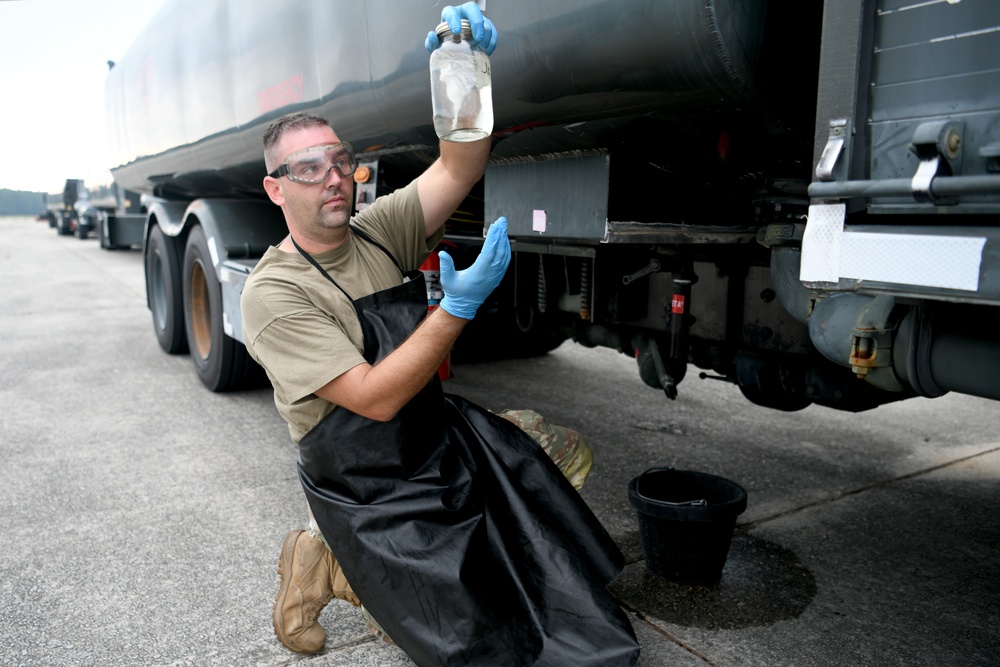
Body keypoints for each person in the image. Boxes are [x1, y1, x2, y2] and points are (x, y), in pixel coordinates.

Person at [241, 4, 640, 665]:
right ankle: (332, 559)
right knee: (475, 643)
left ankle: (343, 557)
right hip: (366, 486)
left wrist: (463, 71)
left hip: (429, 437)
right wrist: (455, 310)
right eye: (309, 167)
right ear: (275, 189)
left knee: (542, 464)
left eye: (341, 160)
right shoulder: (276, 293)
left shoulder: (374, 230)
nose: (334, 176)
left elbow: (458, 167)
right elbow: (372, 398)